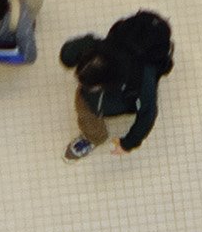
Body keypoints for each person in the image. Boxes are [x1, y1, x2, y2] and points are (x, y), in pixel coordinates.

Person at [59, 9, 175, 160]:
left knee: (84, 104)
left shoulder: (140, 80)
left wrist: (128, 144)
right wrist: (68, 56)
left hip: (126, 100)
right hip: (128, 72)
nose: (81, 85)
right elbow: (68, 52)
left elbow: (148, 113)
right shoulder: (96, 47)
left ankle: (94, 137)